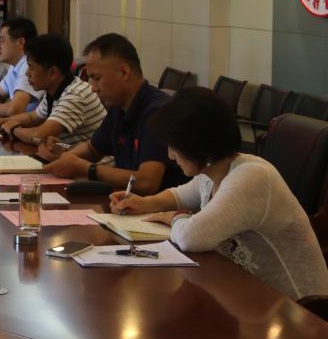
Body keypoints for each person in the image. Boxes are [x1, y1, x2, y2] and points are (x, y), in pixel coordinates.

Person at [111, 88, 328, 300]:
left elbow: (190, 238)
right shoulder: (213, 170)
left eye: (174, 146)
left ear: (198, 144)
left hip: (298, 307)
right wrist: (144, 203)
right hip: (251, 295)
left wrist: (175, 217)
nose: (170, 155)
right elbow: (181, 195)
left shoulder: (251, 176)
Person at [37, 33, 185, 193]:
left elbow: (147, 182)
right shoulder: (118, 106)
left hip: (160, 205)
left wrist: (87, 168)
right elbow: (93, 149)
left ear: (124, 72)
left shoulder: (157, 111)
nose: (93, 88)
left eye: (96, 78)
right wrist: (65, 156)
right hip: (125, 201)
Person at [0, 33, 106, 144]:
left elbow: (38, 136)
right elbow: (32, 117)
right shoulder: (55, 90)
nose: (27, 73)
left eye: (31, 67)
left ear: (53, 73)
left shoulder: (76, 95)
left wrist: (13, 129)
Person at [0, 16, 43, 123]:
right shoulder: (15, 65)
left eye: (2, 41)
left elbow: (14, 110)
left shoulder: (28, 67)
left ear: (20, 42)